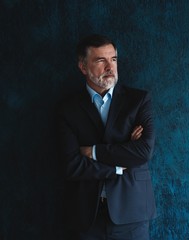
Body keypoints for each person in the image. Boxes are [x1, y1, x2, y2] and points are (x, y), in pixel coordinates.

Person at [58, 34, 156, 240]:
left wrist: (93, 152)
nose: (110, 67)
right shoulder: (68, 109)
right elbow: (71, 165)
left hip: (132, 214)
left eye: (113, 59)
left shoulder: (138, 100)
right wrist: (118, 165)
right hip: (86, 217)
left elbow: (143, 152)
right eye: (101, 60)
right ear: (83, 67)